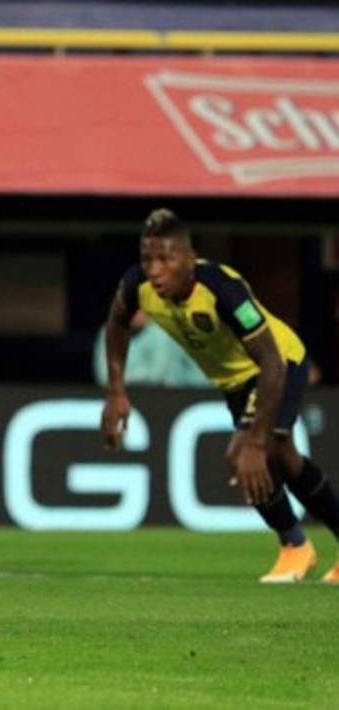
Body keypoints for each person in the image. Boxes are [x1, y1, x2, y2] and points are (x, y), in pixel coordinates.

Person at [101, 208, 339, 584]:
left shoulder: (222, 289)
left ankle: (294, 547)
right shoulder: (138, 287)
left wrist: (257, 440)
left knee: (251, 454)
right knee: (284, 459)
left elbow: (271, 362)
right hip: (235, 382)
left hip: (278, 364)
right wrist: (116, 390)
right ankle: (299, 547)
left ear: (189, 257)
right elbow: (116, 323)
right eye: (148, 259)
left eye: (166, 258)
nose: (155, 269)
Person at [91, 309, 210, 388]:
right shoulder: (108, 333)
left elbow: (157, 375)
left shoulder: (160, 333)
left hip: (157, 397)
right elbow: (104, 376)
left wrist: (125, 379)